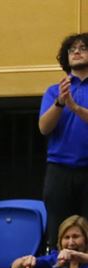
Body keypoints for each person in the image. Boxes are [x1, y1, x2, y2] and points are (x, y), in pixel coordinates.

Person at [39, 33, 88, 246]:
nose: (76, 52)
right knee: (58, 231)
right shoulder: (54, 90)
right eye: (72, 49)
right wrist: (60, 102)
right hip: (59, 170)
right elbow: (44, 128)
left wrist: (75, 107)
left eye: (83, 48)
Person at [12, 214, 88, 268]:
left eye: (75, 237)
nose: (71, 243)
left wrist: (80, 256)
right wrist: (23, 262)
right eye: (66, 237)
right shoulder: (54, 260)